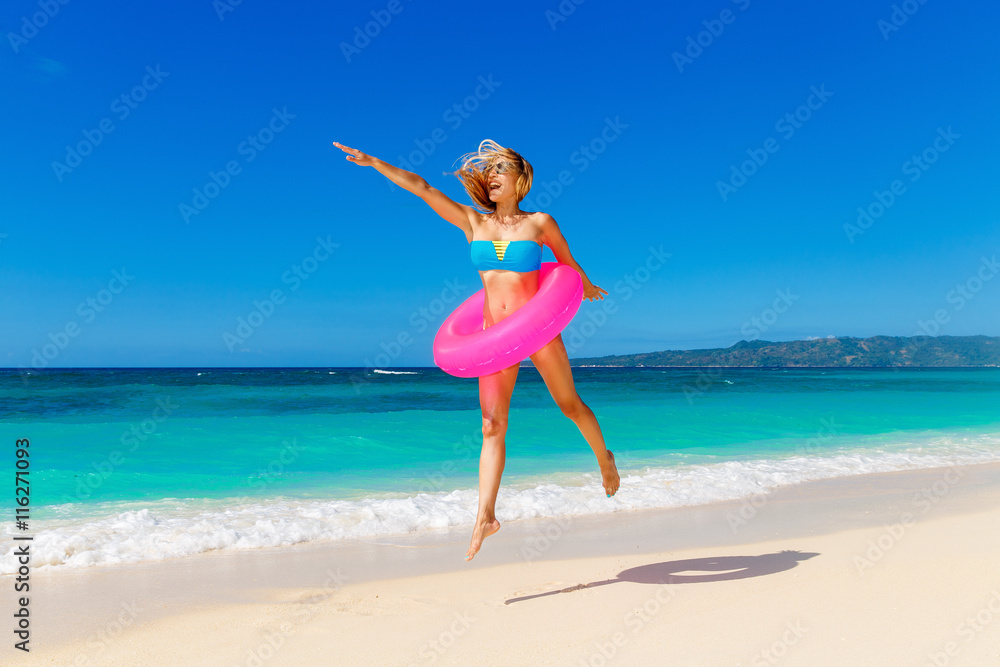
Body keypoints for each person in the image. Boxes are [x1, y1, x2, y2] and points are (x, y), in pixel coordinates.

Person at [333, 139, 620, 561]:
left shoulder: (540, 222)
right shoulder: (473, 222)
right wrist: (374, 161)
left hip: (536, 329)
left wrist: (586, 284)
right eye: (491, 170)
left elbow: (566, 264)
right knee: (491, 425)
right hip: (493, 336)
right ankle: (486, 515)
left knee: (570, 405)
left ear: (521, 179)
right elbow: (424, 188)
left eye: (502, 168)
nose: (493, 175)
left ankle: (605, 458)